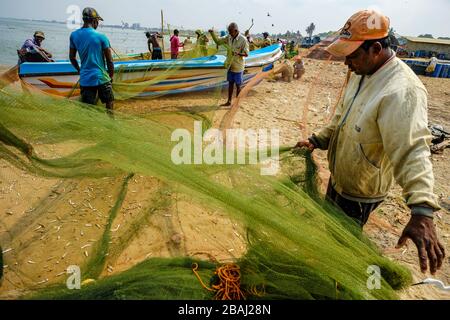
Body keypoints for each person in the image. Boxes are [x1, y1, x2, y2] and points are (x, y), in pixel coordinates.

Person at [296, 10, 445, 275]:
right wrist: (318, 140)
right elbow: (342, 117)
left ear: (376, 48)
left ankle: (339, 279)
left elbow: (411, 150)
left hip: (360, 191)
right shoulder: (360, 72)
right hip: (340, 178)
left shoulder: (401, 91)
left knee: (344, 244)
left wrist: (422, 209)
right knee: (332, 232)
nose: (347, 63)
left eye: (352, 55)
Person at [69, 7, 114, 114]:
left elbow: (72, 57)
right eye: (98, 21)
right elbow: (110, 61)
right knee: (109, 103)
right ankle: (112, 124)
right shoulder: (101, 37)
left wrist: (80, 70)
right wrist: (111, 76)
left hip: (85, 79)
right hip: (102, 77)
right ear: (94, 21)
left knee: (88, 109)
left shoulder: (74, 35)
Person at [209, 23, 249, 107]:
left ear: (236, 30)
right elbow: (218, 41)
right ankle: (229, 101)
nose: (229, 33)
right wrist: (212, 33)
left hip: (238, 66)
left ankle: (237, 104)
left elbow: (246, 54)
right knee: (230, 83)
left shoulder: (243, 39)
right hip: (230, 65)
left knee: (238, 85)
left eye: (230, 32)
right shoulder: (229, 37)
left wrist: (238, 53)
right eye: (229, 32)